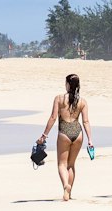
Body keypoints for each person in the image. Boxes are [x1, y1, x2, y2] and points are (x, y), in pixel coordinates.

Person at [38, 72, 93, 201]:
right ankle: (69, 193)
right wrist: (90, 139)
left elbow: (53, 118)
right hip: (77, 132)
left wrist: (44, 135)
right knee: (71, 165)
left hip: (64, 131)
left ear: (68, 84)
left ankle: (65, 186)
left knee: (62, 164)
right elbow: (86, 121)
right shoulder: (82, 102)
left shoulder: (59, 98)